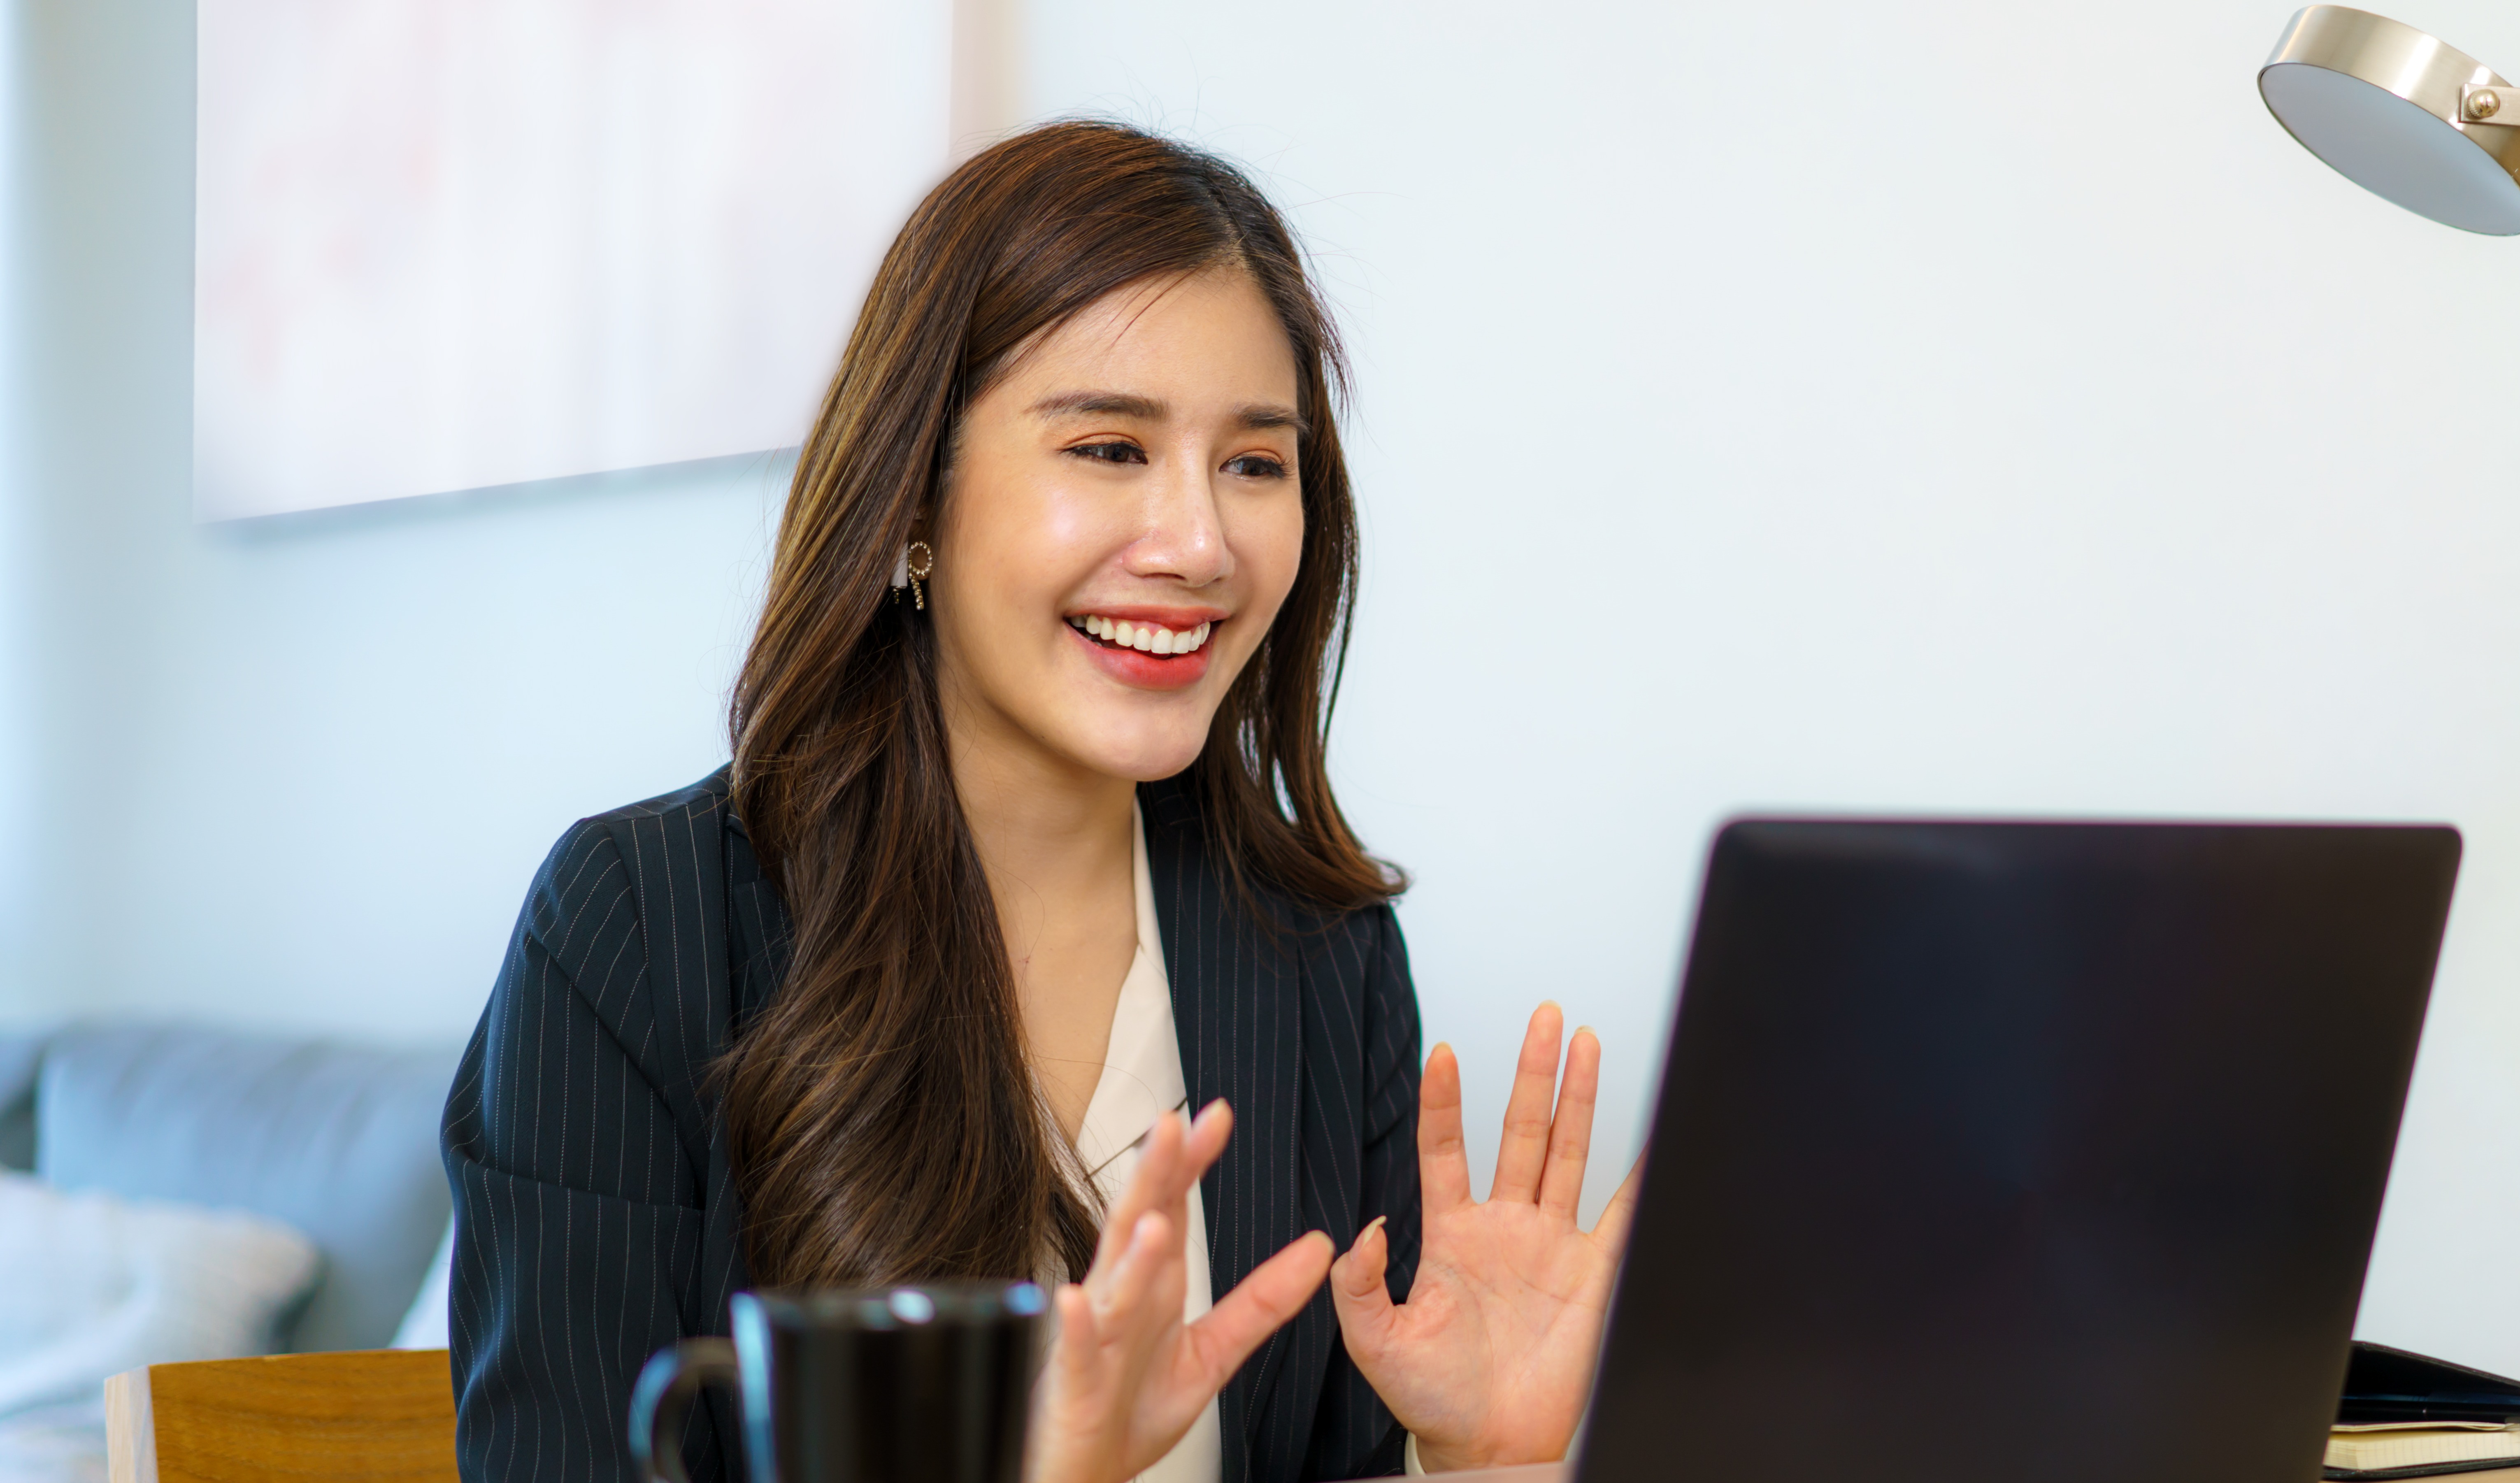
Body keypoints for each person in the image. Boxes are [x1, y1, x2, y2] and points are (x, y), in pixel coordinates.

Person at [440, 120, 1635, 1483]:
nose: (1198, 542)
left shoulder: (1320, 953)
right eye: (1111, 448)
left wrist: (1482, 1458)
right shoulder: (636, 930)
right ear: (914, 501)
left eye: (1256, 461)